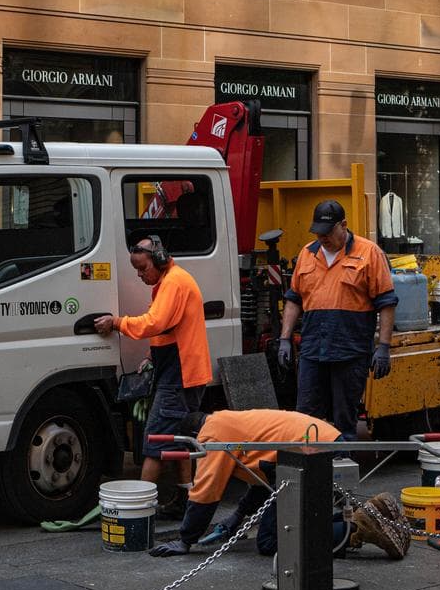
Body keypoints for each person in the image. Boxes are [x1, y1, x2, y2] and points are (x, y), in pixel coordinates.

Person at [146, 409, 410, 559]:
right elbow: (264, 479)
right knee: (285, 528)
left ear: (194, 436)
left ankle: (359, 527)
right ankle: (372, 516)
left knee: (272, 541)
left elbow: (206, 490)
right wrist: (238, 516)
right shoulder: (227, 421)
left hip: (317, 452)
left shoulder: (212, 435)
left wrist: (185, 540)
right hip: (322, 445)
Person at [94, 235, 210, 517]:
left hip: (179, 374)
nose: (140, 274)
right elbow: (167, 328)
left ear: (158, 260)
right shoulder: (168, 282)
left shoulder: (173, 283)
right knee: (180, 438)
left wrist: (117, 323)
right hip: (183, 371)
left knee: (155, 440)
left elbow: (154, 323)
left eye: (143, 268)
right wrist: (152, 355)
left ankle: (138, 508)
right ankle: (186, 499)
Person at [277, 200, 397, 441]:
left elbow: (386, 302)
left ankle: (342, 471)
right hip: (313, 350)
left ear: (343, 225)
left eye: (328, 232)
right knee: (306, 418)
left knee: (344, 419)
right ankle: (311, 472)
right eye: (318, 232)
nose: (322, 238)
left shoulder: (369, 253)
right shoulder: (307, 253)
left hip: (350, 352)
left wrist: (384, 347)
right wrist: (285, 339)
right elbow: (294, 299)